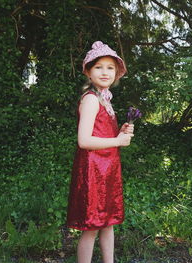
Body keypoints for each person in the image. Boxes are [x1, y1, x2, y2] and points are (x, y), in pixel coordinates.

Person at [66, 41, 134, 263]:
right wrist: (118, 140)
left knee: (108, 223)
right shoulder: (91, 100)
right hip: (93, 170)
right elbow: (84, 140)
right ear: (88, 71)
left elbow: (102, 133)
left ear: (117, 73)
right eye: (99, 67)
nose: (105, 72)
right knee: (92, 227)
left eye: (110, 67)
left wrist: (119, 131)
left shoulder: (105, 99)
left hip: (107, 169)